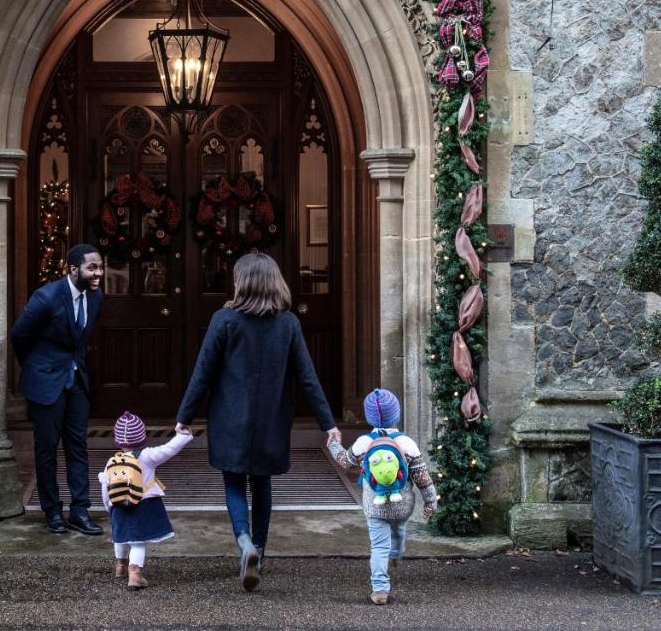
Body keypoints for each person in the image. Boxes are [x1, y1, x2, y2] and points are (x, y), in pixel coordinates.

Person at [174, 252, 341, 591]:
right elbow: (308, 377)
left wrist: (184, 417)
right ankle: (260, 552)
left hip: (230, 418)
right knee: (262, 484)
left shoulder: (224, 319)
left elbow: (202, 373)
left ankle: (244, 542)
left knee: (233, 483)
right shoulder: (288, 323)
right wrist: (328, 424)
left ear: (243, 282)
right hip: (271, 419)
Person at [11, 243, 105, 535]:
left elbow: (79, 339)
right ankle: (52, 512)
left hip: (75, 382)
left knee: (78, 446)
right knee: (47, 449)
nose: (98, 273)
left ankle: (80, 511)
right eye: (92, 268)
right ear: (73, 269)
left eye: (100, 267)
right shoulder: (47, 297)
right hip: (45, 383)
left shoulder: (97, 296)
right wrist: (39, 367)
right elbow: (19, 336)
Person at [327, 388, 438, 605]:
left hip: (375, 506)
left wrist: (332, 443)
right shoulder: (407, 443)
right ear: (396, 415)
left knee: (378, 546)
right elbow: (422, 477)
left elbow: (345, 461)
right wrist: (430, 500)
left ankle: (379, 589)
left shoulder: (363, 442)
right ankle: (396, 553)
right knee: (399, 528)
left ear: (370, 417)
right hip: (402, 504)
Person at [99, 411, 193, 590]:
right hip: (142, 505)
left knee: (120, 538)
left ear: (118, 441)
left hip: (117, 505)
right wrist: (184, 435)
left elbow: (106, 486)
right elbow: (169, 449)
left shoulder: (112, 461)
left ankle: (120, 566)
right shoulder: (148, 456)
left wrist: (109, 505)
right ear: (142, 438)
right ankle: (135, 574)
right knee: (138, 543)